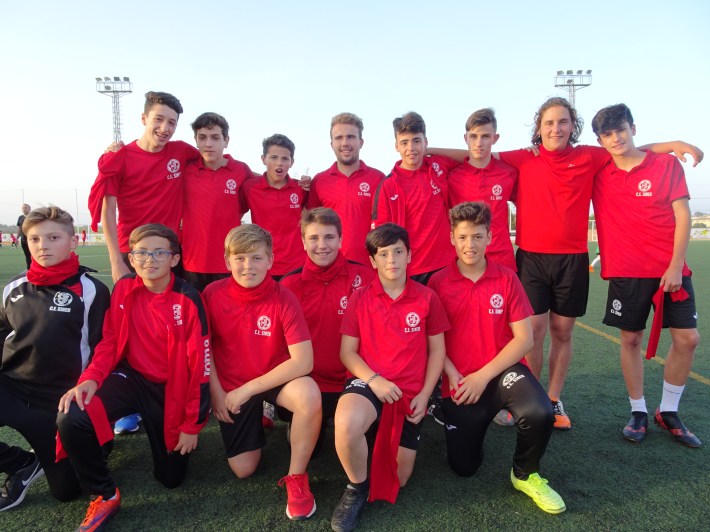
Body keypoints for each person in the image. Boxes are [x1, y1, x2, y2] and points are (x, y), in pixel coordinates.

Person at [430, 97, 703, 430]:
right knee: (532, 331)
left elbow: (627, 149)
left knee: (562, 332)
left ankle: (554, 397)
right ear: (539, 127)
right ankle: (527, 395)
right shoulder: (523, 158)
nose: (555, 129)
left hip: (572, 259)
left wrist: (671, 144)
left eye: (562, 122)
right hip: (531, 258)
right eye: (548, 122)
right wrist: (429, 149)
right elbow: (476, 153)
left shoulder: (589, 155)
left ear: (572, 125)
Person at [57, 224, 211, 531]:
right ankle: (105, 493)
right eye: (141, 252)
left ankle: (161, 440)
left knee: (171, 479)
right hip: (131, 378)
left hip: (170, 390)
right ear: (131, 258)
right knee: (74, 411)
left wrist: (192, 426)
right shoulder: (124, 287)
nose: (149, 260)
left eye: (159, 252)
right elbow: (111, 339)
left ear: (174, 259)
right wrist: (91, 378)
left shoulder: (189, 298)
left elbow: (201, 368)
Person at [428, 202, 564, 514]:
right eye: (463, 237)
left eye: (477, 236)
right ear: (452, 238)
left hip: (503, 374)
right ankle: (476, 426)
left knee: (540, 412)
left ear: (490, 237)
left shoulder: (507, 278)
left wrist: (482, 376)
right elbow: (432, 342)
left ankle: (525, 473)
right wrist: (453, 374)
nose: (470, 245)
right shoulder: (437, 282)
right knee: (464, 467)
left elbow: (524, 339)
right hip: (460, 382)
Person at [591, 103, 701, 447]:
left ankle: (668, 410)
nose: (616, 138)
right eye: (607, 134)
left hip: (670, 269)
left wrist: (675, 265)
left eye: (621, 130)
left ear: (633, 129)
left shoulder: (665, 165)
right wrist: (672, 141)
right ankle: (637, 410)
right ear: (600, 140)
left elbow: (682, 215)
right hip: (627, 271)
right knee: (630, 340)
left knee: (688, 339)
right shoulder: (599, 171)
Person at [330, 223, 449, 532]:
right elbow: (347, 353)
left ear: (409, 255)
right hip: (370, 384)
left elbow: (437, 351)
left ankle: (376, 433)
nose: (392, 260)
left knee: (401, 477)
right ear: (372, 261)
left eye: (398, 252)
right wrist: (374, 380)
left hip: (410, 393)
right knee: (346, 422)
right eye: (383, 254)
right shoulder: (360, 298)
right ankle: (356, 487)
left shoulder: (427, 297)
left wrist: (425, 395)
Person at [203, 224, 321, 521]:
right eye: (240, 258)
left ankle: (297, 478)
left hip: (271, 379)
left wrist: (249, 389)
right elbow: (206, 349)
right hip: (231, 386)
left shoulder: (284, 297)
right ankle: (258, 418)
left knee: (308, 394)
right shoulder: (212, 294)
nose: (248, 266)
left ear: (270, 260)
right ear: (227, 261)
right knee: (244, 469)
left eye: (256, 258)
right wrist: (217, 393)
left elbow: (304, 361)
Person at [0, 206, 110, 511]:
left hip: (58, 403)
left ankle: (87, 442)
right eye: (34, 239)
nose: (42, 246)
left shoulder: (92, 291)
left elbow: (104, 348)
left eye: (53, 237)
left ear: (73, 241)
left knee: (67, 491)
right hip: (13, 390)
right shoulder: (15, 287)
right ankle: (20, 463)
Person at [280, 208, 373, 453]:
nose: (322, 245)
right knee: (309, 452)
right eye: (314, 238)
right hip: (310, 383)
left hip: (355, 379)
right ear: (303, 242)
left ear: (341, 239)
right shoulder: (289, 284)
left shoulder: (365, 276)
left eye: (329, 237)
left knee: (369, 449)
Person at [87, 91, 199, 283]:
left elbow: (214, 162)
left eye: (171, 123)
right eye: (158, 119)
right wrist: (115, 261)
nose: (164, 128)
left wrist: (255, 175)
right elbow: (108, 211)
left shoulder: (181, 151)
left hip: (168, 250)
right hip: (133, 250)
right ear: (144, 119)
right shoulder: (120, 157)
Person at [371, 112, 457, 285]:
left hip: (446, 265)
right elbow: (380, 236)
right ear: (396, 146)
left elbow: (470, 156)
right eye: (404, 142)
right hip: (411, 270)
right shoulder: (388, 185)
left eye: (416, 141)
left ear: (426, 141)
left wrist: (429, 151)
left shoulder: (437, 166)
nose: (410, 148)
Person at [182, 112, 254, 292]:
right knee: (197, 310)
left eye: (215, 138)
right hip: (193, 262)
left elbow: (264, 186)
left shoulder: (240, 170)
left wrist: (298, 184)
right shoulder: (186, 169)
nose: (208, 144)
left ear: (226, 140)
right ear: (196, 140)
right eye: (202, 137)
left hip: (229, 261)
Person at [306, 113, 385, 265]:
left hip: (369, 267)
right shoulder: (319, 181)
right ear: (331, 144)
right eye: (339, 138)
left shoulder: (378, 178)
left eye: (350, 137)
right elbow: (311, 226)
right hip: (330, 267)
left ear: (361, 142)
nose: (345, 143)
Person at [447, 109, 517, 272]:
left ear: (495, 138)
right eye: (473, 136)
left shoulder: (509, 173)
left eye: (485, 136)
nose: (479, 143)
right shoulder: (451, 178)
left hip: (501, 260)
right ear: (465, 138)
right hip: (464, 260)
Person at [242, 134, 306, 280]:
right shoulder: (249, 188)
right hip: (264, 263)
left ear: (292, 162)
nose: (279, 163)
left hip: (297, 264)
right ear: (263, 159)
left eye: (285, 159)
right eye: (273, 157)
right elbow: (235, 215)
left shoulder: (301, 188)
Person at [16, 204, 31, 269]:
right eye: (23, 208)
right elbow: (19, 228)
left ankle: (37, 269)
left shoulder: (33, 216)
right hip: (23, 240)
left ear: (29, 208)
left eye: (25, 207)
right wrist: (17, 238)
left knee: (34, 255)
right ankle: (29, 268)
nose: (24, 209)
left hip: (32, 239)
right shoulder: (20, 217)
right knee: (27, 255)